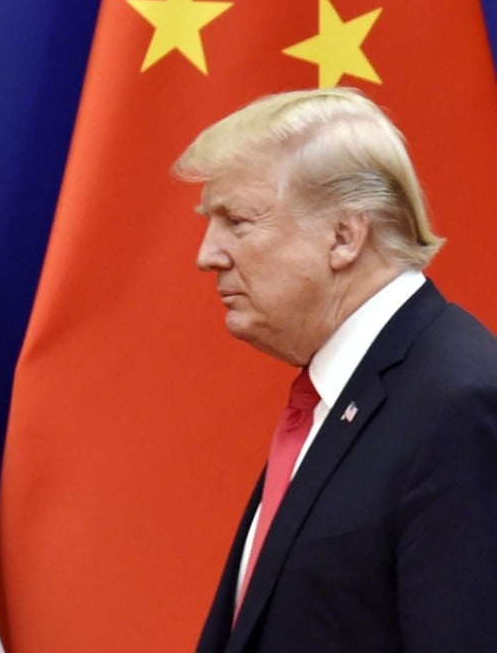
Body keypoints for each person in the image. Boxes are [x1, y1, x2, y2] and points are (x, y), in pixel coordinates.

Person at [175, 88, 497, 651]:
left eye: (237, 221)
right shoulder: (347, 391)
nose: (207, 254)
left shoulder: (459, 402)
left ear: (345, 236)